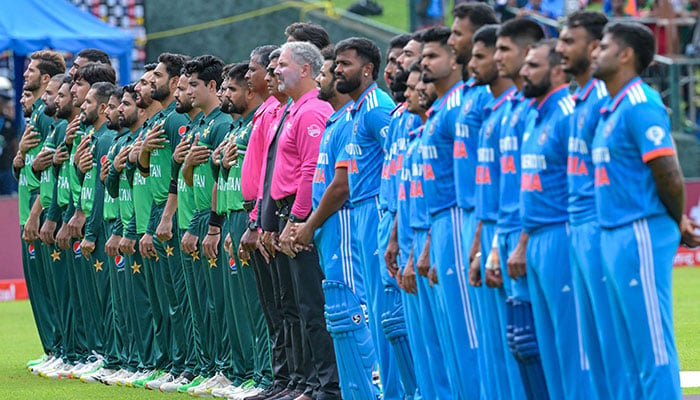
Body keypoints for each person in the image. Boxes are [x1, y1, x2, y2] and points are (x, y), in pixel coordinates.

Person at [591, 21, 687, 399]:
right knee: (625, 348)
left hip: (639, 231)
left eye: (604, 47)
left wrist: (672, 219)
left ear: (626, 55)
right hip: (614, 231)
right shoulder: (610, 107)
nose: (596, 53)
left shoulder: (640, 103)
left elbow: (669, 175)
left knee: (651, 345)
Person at [293, 46, 378, 400]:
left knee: (353, 309)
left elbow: (342, 185)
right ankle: (352, 389)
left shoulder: (366, 115)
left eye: (336, 69)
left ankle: (369, 388)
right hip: (332, 227)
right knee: (338, 314)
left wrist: (309, 224)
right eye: (333, 67)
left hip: (347, 222)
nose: (327, 77)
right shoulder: (338, 119)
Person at [556, 11, 631, 400]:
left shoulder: (606, 100)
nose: (560, 48)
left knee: (615, 345)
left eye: (570, 42)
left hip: (600, 226)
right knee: (588, 343)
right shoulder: (579, 100)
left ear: (596, 47)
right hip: (577, 225)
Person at [334, 37, 413, 400]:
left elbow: (399, 156)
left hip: (376, 209)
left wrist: (390, 210)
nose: (337, 70)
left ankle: (402, 391)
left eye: (345, 64)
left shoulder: (376, 110)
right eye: (336, 63)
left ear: (367, 70)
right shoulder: (355, 110)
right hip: (366, 212)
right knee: (381, 313)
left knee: (390, 313)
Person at [519, 38, 592, 399]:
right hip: (536, 237)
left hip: (562, 234)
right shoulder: (537, 113)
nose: (523, 71)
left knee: (572, 348)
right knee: (544, 350)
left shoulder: (567, 112)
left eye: (533, 65)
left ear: (558, 70)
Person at [272, 41, 340, 400]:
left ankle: (327, 386)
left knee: (314, 307)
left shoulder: (312, 111)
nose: (276, 71)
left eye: (282, 64)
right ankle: (310, 383)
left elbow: (311, 170)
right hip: (288, 213)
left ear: (305, 70)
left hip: (301, 217)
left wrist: (297, 219)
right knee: (298, 307)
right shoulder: (295, 109)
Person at [468, 24, 527, 400]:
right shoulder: (495, 112)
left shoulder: (519, 112)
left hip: (523, 231)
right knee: (497, 342)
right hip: (491, 228)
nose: (470, 62)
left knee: (529, 342)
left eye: (480, 54)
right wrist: (482, 244)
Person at [493, 18, 548, 400]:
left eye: (503, 50)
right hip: (507, 228)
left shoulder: (548, 110)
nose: (498, 59)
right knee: (519, 342)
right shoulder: (511, 110)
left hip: (547, 232)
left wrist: (524, 238)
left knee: (553, 346)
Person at [136, 52, 194, 391]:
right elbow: (150, 174)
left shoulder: (176, 120)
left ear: (174, 83)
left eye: (155, 76)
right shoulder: (159, 123)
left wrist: (168, 216)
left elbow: (176, 176)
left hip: (176, 215)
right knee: (169, 299)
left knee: (183, 299)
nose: (150, 82)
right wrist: (142, 155)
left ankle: (188, 364)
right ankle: (176, 362)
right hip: (161, 213)